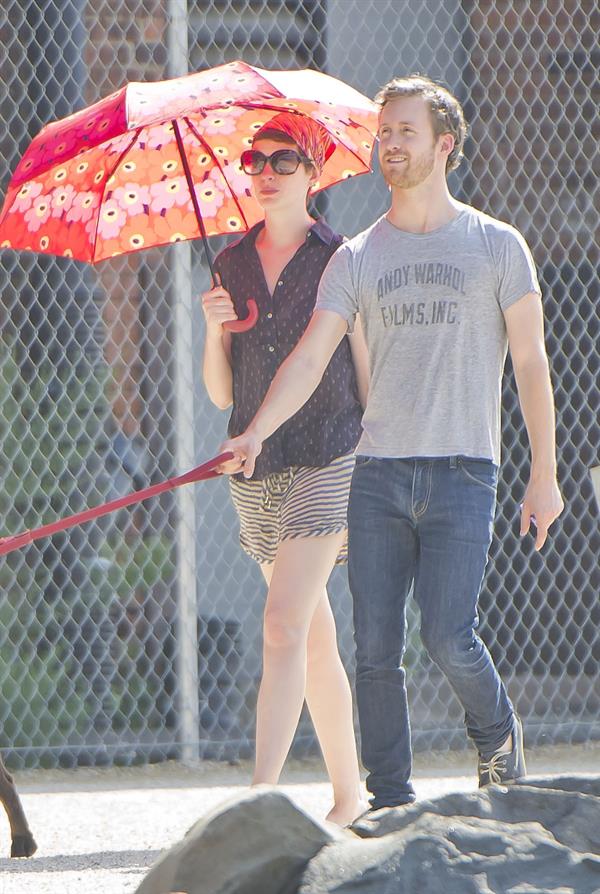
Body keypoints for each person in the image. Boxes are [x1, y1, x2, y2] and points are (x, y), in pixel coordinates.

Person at [218, 76, 564, 811]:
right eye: (384, 133)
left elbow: (532, 362)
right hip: (374, 473)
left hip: (465, 470)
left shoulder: (496, 246)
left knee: (447, 634)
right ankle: (388, 800)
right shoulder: (357, 257)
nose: (391, 145)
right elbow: (309, 358)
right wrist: (254, 430)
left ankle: (496, 731)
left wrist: (545, 474)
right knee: (375, 651)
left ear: (445, 145)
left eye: (406, 131)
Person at [200, 112, 369, 825]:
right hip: (253, 463)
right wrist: (212, 329)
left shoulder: (341, 257)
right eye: (255, 160)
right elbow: (220, 391)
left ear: (314, 172)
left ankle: (259, 800)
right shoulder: (230, 263)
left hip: (330, 452)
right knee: (311, 633)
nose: (266, 173)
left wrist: (379, 444)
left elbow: (364, 367)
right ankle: (348, 792)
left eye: (283, 161)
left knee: (279, 625)